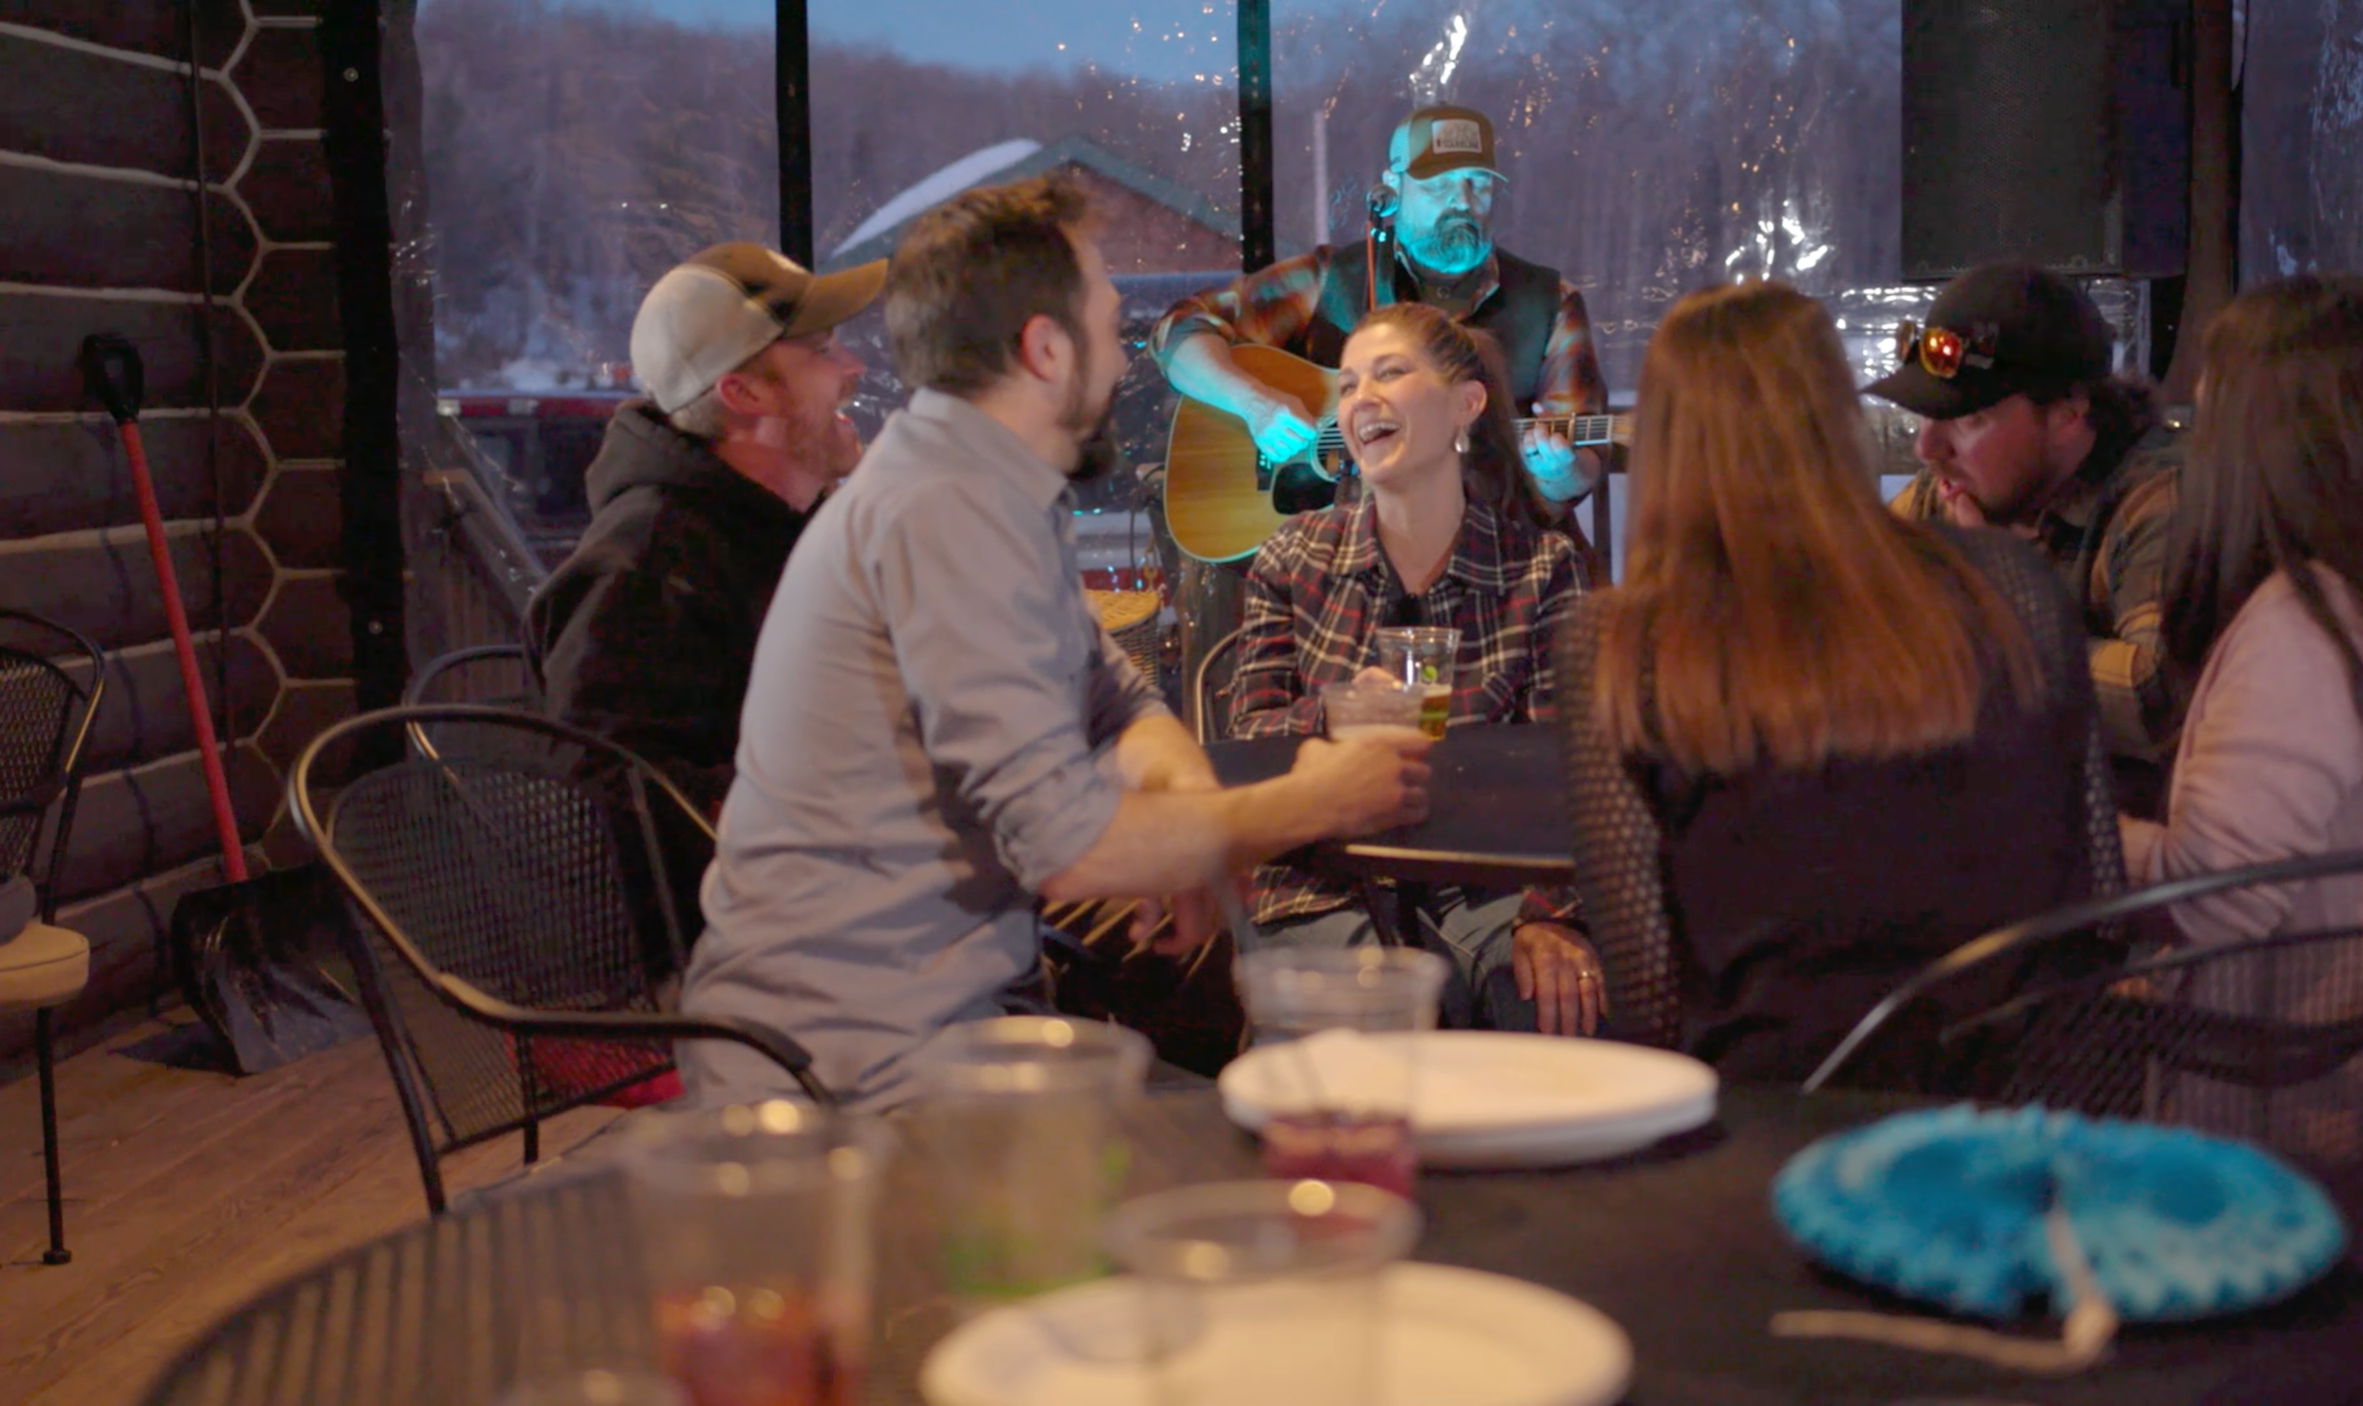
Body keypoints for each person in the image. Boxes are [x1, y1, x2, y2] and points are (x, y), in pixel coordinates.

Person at [677, 174, 1433, 1109]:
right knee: (1298, 1140)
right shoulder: (945, 514)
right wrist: (1315, 800)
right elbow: (1068, 848)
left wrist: (1192, 821)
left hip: (942, 1029)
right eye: (1110, 329)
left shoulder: (982, 489)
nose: (1121, 362)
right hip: (848, 1076)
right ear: (1045, 349)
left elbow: (1115, 699)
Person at [1559, 282, 2121, 1084]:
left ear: (1666, 441)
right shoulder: (2012, 583)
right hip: (2024, 1105)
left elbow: (1648, 993)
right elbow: (2097, 891)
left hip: (1778, 1117)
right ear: (1836, 414)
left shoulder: (1625, 644)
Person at [2121, 274, 2363, 1182]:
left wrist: (2065, 825)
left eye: (2210, 421)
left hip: (2281, 1123)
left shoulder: (2315, 628)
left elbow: (2215, 898)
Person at [1228, 302, 1602, 1036]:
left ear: (1467, 405)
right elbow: (1245, 747)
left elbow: (1574, 773)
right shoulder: (1293, 557)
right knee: (1370, 1024)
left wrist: (1551, 916)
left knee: (1554, 1004)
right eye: (1347, 386)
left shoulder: (1541, 568)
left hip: (1485, 884)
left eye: (1390, 374)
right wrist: (1337, 715)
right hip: (1323, 878)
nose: (1360, 399)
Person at [526, 242, 885, 816]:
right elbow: (599, 799)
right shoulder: (643, 568)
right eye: (822, 349)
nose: (853, 368)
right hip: (766, 870)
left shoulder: (804, 529)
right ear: (743, 392)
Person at [1152, 104, 1609, 513]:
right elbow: (1179, 329)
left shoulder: (1549, 301)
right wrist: (1253, 405)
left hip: (1490, 549)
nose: (1462, 202)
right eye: (1439, 185)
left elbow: (1583, 465)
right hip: (1334, 551)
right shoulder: (1329, 277)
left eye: (1479, 183)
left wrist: (1558, 472)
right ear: (1394, 187)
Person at [1868, 262, 2186, 816]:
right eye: (1927, 415)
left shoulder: (2159, 496)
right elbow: (1845, 615)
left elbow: (2152, 699)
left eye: (1968, 419)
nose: (1926, 448)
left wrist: (2001, 598)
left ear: (2067, 415)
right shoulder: (1949, 489)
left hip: (2124, 845)